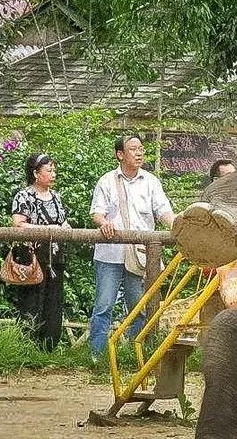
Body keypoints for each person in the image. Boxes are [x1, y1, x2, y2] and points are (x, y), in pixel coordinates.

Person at [89, 134, 175, 357]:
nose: (139, 153)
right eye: (133, 149)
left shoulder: (151, 181)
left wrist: (178, 226)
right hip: (110, 254)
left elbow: (163, 211)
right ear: (120, 154)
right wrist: (104, 223)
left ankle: (136, 353)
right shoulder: (106, 181)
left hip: (139, 255)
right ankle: (96, 355)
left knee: (138, 306)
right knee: (103, 305)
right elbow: (96, 213)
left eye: (141, 149)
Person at [10, 153, 70, 350]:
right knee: (31, 301)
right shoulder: (24, 196)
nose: (53, 174)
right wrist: (47, 230)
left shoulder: (57, 197)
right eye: (49, 170)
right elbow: (18, 224)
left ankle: (49, 348)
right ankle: (26, 346)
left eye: (54, 170)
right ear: (36, 173)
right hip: (32, 257)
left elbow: (62, 222)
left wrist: (66, 228)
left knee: (54, 301)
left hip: (55, 257)